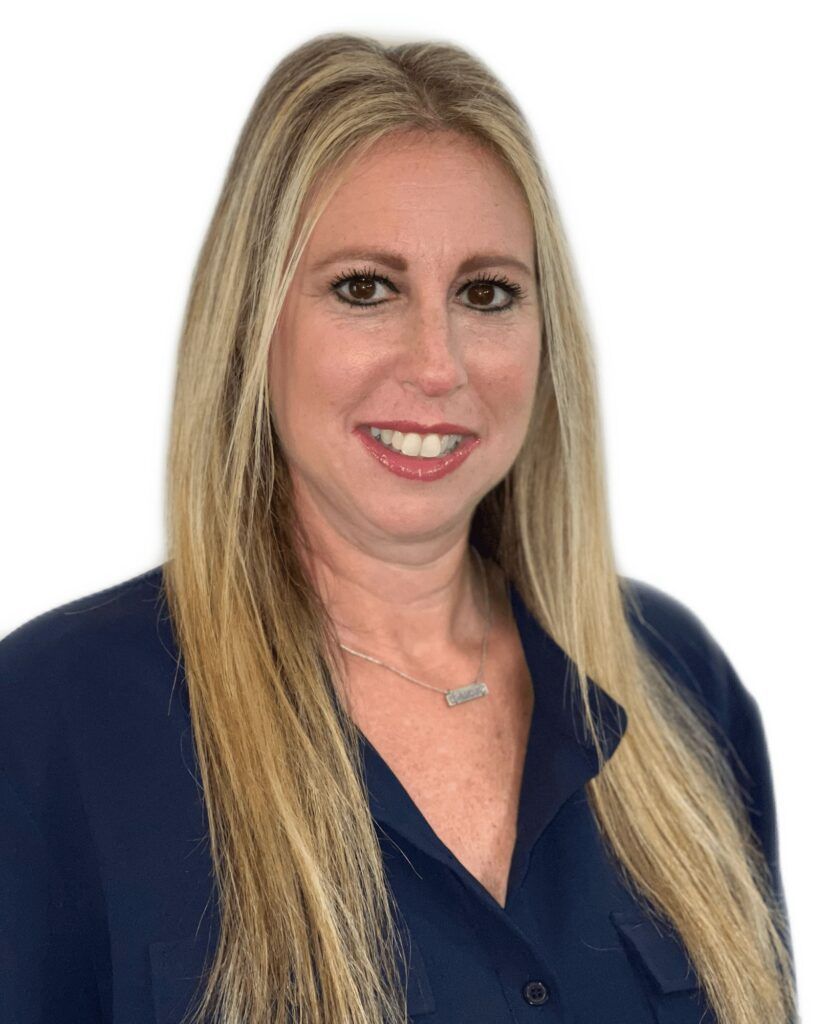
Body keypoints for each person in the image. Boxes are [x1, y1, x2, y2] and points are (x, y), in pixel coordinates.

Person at [0, 31, 797, 1024]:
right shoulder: (47, 722)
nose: (437, 364)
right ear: (253, 325)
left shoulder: (678, 682)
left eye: (485, 293)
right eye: (365, 289)